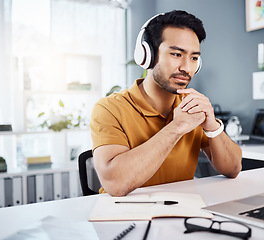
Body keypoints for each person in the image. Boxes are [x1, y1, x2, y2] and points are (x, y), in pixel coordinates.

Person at [90, 10, 242, 197]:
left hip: (178, 213)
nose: (186, 68)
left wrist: (212, 127)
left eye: (194, 58)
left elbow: (233, 168)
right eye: (177, 54)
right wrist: (176, 128)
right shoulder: (109, 109)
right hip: (123, 217)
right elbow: (115, 183)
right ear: (148, 55)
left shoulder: (191, 106)